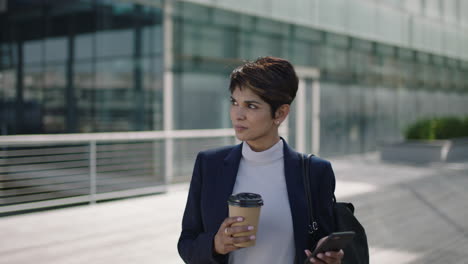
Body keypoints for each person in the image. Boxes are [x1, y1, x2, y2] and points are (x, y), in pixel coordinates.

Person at [178, 57, 344, 264]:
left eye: (251, 106)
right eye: (234, 102)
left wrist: (331, 260)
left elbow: (323, 245)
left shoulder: (315, 172)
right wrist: (215, 245)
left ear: (280, 113)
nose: (238, 114)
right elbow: (186, 243)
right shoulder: (209, 164)